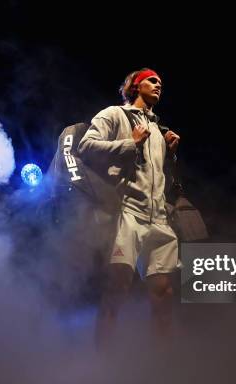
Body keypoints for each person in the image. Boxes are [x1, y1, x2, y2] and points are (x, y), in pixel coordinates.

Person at [78, 68, 181, 348]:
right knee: (117, 289)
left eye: (161, 81)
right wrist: (130, 143)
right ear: (136, 86)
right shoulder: (114, 114)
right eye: (152, 80)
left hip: (158, 219)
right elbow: (86, 146)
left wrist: (170, 154)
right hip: (127, 213)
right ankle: (103, 361)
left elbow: (157, 178)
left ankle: (164, 364)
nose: (159, 84)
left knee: (164, 294)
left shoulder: (159, 131)